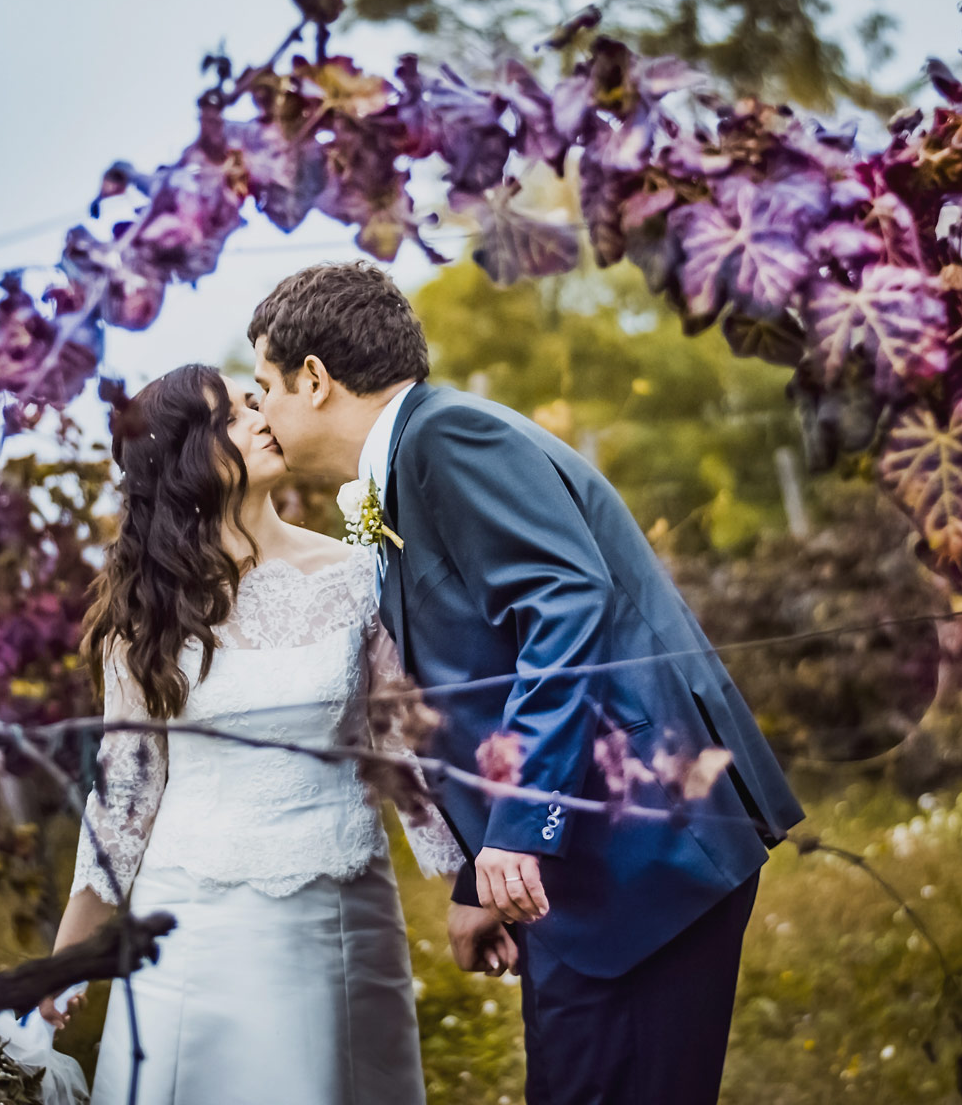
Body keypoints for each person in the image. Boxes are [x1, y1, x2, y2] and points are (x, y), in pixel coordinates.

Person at [248, 262, 808, 1105]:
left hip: (641, 856)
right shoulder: (414, 459)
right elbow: (475, 686)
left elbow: (566, 611)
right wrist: (482, 878)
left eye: (266, 388)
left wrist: (520, 828)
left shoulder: (448, 441)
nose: (263, 413)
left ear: (317, 380)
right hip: (581, 878)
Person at [37, 363, 464, 1105]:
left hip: (341, 915)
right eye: (233, 414)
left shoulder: (359, 575)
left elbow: (399, 746)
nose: (263, 415)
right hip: (194, 924)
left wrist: (470, 885)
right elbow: (124, 797)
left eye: (256, 399)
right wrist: (65, 957)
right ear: (184, 456)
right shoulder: (150, 614)